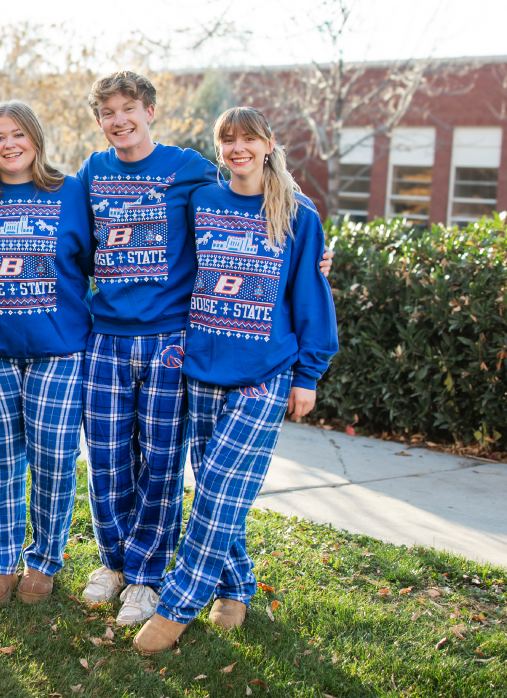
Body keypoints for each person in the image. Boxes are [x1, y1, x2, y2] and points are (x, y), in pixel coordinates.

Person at [75, 72, 335, 627]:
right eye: (108, 112)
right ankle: (114, 562)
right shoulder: (92, 172)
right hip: (107, 336)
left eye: (129, 108)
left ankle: (148, 577)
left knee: (163, 464)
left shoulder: (191, 169)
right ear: (99, 121)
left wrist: (311, 246)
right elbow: (67, 236)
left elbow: (262, 191)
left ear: (149, 110)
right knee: (107, 459)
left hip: (173, 339)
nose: (119, 120)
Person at [133, 107, 338, 655]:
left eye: (249, 138)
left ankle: (178, 603)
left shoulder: (298, 215)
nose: (237, 148)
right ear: (218, 148)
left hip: (265, 372)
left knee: (220, 486)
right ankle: (236, 587)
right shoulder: (203, 201)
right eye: (228, 140)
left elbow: (310, 296)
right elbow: (166, 262)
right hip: (200, 367)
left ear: (269, 144)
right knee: (215, 488)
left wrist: (308, 375)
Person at [0, 100, 93, 608]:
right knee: (3, 458)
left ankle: (44, 560)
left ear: (36, 138)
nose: (9, 144)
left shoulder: (71, 193)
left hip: (57, 348)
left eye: (18, 134)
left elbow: (109, 259)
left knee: (55, 459)